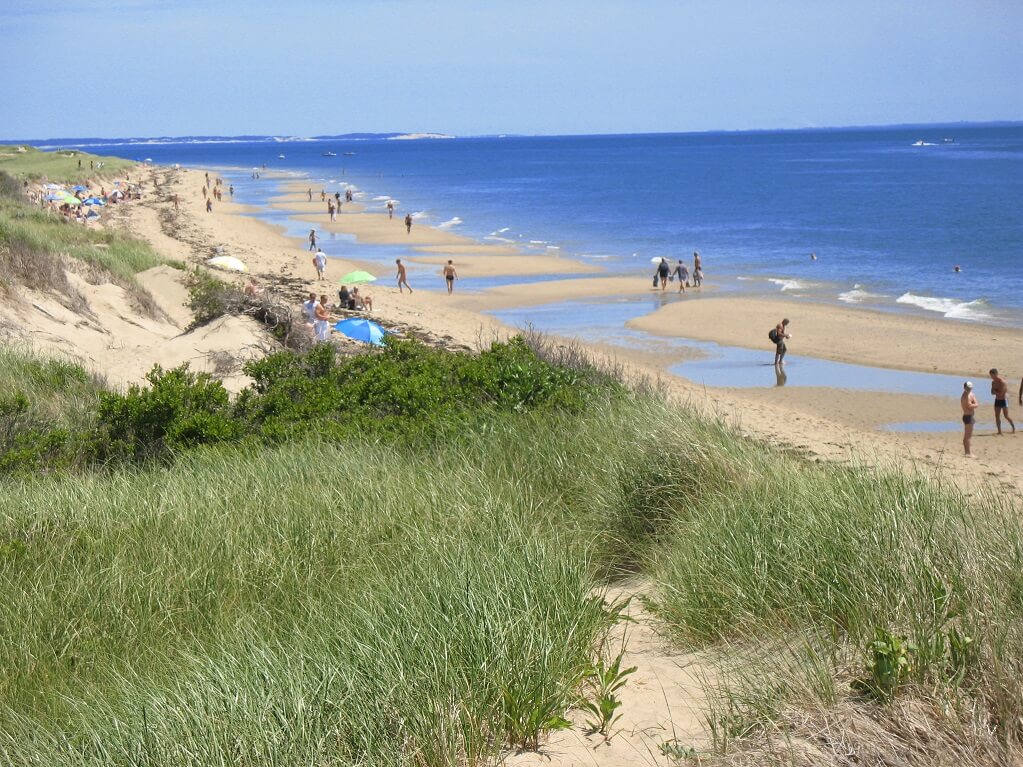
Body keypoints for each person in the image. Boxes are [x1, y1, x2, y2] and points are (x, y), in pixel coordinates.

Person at [989, 368, 1016, 434]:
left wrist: (995, 391)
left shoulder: (1002, 382)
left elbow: (1001, 394)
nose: (991, 377)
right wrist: (996, 391)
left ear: (996, 374)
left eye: (992, 375)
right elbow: (992, 393)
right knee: (997, 416)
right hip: (997, 400)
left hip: (1004, 400)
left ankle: (1013, 428)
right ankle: (999, 431)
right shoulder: (993, 382)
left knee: (1006, 416)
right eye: (990, 375)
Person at [961, 381, 979, 458]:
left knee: (967, 436)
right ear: (964, 388)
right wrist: (972, 405)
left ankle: (967, 452)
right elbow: (968, 406)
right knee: (968, 436)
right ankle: (968, 453)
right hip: (967, 416)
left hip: (969, 416)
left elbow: (976, 404)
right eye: (967, 388)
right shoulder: (965, 396)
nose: (968, 390)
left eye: (969, 388)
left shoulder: (971, 395)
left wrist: (972, 404)